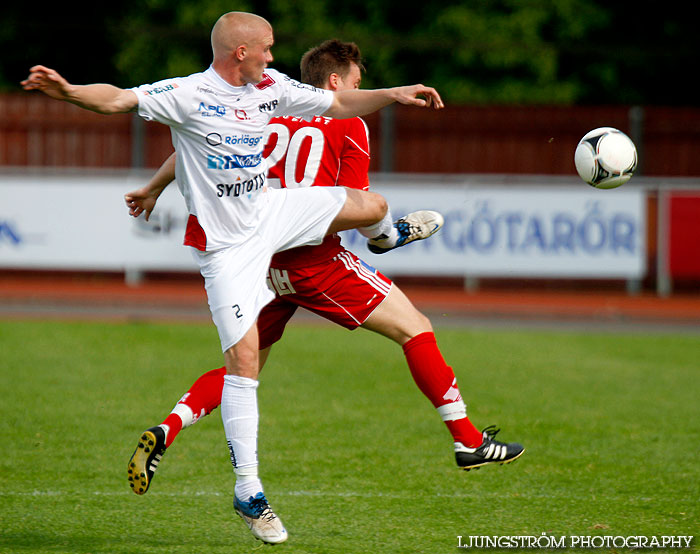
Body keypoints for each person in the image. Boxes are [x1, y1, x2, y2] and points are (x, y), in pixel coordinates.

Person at [21, 12, 447, 545]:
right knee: (244, 363)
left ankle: (385, 234)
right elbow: (117, 99)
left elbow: (337, 103)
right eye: (265, 49)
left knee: (370, 203)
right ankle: (249, 490)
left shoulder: (270, 88)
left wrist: (396, 92)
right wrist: (65, 92)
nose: (273, 57)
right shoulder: (187, 94)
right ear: (239, 51)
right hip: (226, 248)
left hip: (272, 211)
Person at [123, 39, 525, 543]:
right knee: (415, 328)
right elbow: (350, 202)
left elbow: (198, 149)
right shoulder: (347, 122)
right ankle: (466, 440)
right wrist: (376, 233)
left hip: (259, 259)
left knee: (244, 365)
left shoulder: (261, 103)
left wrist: (153, 187)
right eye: (356, 82)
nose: (360, 90)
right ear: (335, 83)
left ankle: (169, 427)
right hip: (315, 260)